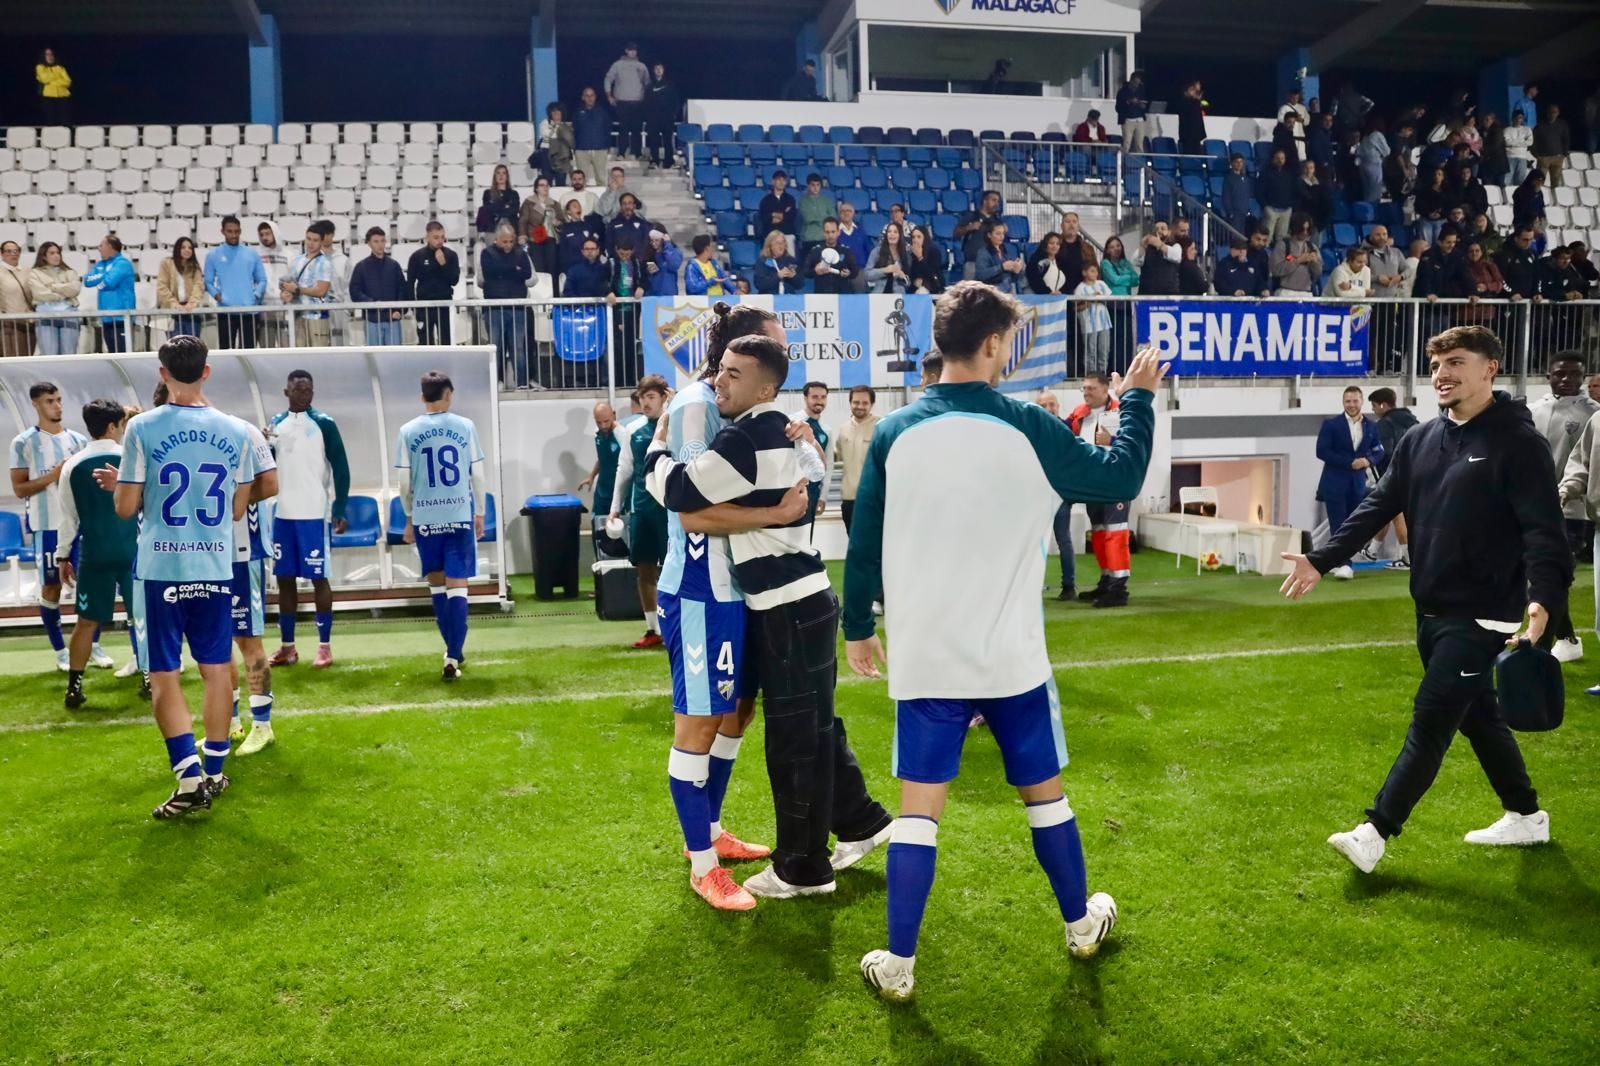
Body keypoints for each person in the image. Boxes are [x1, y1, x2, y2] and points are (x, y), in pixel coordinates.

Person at [848, 283, 1163, 1001]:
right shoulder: (1030, 426)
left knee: (917, 813)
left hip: (927, 655)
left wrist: (858, 627)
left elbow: (864, 539)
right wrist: (1138, 399)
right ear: (993, 344)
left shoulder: (895, 431)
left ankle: (899, 965)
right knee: (1045, 798)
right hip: (1012, 659)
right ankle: (1080, 925)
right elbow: (1121, 475)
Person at [1284, 326, 1563, 873]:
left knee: (1431, 718)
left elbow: (1543, 532)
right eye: (1435, 365)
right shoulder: (1420, 439)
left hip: (1484, 615)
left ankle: (1375, 830)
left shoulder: (1518, 442)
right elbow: (1377, 505)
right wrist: (1321, 558)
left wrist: (1544, 601)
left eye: (1455, 362)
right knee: (1479, 717)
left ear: (1490, 368)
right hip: (1430, 610)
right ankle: (1527, 816)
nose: (1442, 374)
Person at [645, 329, 890, 902]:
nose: (720, 382)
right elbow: (807, 481)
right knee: (810, 725)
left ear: (766, 387)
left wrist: (655, 446)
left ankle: (802, 869)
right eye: (722, 370)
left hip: (787, 603)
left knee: (795, 740)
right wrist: (777, 512)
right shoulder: (778, 427)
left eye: (735, 374)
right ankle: (859, 821)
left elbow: (682, 496)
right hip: (793, 600)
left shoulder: (747, 436)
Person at [638, 307, 801, 909]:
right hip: (702, 590)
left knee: (737, 713)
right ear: (732, 353)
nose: (780, 355)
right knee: (700, 723)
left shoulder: (742, 410)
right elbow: (689, 510)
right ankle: (702, 865)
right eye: (770, 344)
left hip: (739, 587)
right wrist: (774, 515)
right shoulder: (695, 406)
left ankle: (708, 830)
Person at [116, 336, 261, 819]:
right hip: (215, 565)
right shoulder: (238, 430)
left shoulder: (142, 426)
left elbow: (125, 507)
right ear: (207, 371)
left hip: (161, 568)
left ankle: (189, 778)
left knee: (164, 674)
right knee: (217, 668)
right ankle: (215, 771)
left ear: (162, 373)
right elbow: (238, 507)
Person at [394, 371, 487, 681]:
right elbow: (477, 475)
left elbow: (403, 482)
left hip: (425, 518)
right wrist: (480, 512)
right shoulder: (466, 426)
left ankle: (452, 651)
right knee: (458, 585)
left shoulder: (407, 431)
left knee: (437, 585)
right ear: (448, 394)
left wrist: (409, 516)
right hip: (458, 515)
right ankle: (453, 654)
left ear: (422, 397)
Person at [56, 399, 143, 708]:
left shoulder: (71, 465)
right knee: (142, 619)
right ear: (112, 426)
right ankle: (149, 678)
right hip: (133, 551)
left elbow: (68, 518)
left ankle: (74, 687)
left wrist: (62, 556)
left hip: (94, 553)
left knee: (86, 622)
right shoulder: (131, 459)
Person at [266, 370, 351, 671]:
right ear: (286, 392)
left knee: (319, 579)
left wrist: (340, 507)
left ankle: (324, 647)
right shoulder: (275, 424)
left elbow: (341, 467)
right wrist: (263, 442)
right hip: (283, 516)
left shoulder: (325, 423)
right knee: (284, 580)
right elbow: (267, 464)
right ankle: (287, 647)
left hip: (314, 515)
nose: (304, 394)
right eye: (298, 389)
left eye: (308, 390)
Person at [10, 382, 93, 670]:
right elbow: (19, 489)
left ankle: (93, 646)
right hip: (46, 526)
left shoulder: (79, 441)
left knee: (89, 585)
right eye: (49, 401)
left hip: (79, 526)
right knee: (51, 588)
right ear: (35, 404)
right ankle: (60, 651)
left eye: (58, 400)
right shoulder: (23, 442)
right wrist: (54, 475)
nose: (57, 406)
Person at [1529, 353, 1597, 663]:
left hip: (1574, 511)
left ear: (1583, 377)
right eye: (1560, 373)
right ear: (1548, 375)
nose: (1567, 379)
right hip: (1534, 507)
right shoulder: (1533, 411)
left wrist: (1570, 492)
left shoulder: (1593, 413)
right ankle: (1565, 638)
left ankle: (1545, 644)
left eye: (1574, 374)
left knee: (1552, 575)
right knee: (1539, 574)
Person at [607, 374, 672, 647]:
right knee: (645, 569)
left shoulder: (676, 426)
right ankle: (652, 629)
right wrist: (614, 509)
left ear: (664, 397)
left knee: (673, 570)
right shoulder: (632, 430)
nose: (645, 403)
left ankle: (674, 627)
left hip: (670, 509)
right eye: (642, 397)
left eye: (651, 397)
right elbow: (624, 470)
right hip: (642, 509)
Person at [1066, 374, 1132, 606]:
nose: (1086, 392)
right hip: (1092, 482)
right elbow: (1063, 433)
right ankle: (1106, 581)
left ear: (1105, 389)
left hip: (1115, 481)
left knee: (1115, 533)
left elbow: (1135, 443)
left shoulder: (1122, 411)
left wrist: (1112, 441)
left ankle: (1118, 588)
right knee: (1099, 533)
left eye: (1091, 388)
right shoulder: (1079, 413)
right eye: (1084, 388)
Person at [1314, 385, 1385, 581]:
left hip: (1358, 483)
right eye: (1348, 401)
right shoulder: (1331, 425)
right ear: (1343, 402)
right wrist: (1349, 463)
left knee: (1354, 525)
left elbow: (1379, 450)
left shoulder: (1371, 426)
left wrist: (1368, 460)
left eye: (1355, 401)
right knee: (1338, 524)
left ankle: (1339, 561)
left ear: (1361, 402)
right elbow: (1322, 451)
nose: (1351, 405)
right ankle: (1344, 563)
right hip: (1334, 482)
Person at [1366, 387, 1416, 569]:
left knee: (1396, 515)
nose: (1373, 410)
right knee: (1390, 512)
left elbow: (1385, 452)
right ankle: (1373, 549)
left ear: (1382, 405)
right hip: (1415, 472)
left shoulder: (1384, 425)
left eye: (1373, 405)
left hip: (1395, 474)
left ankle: (1407, 557)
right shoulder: (1413, 421)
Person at [1034, 390, 1078, 598]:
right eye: (1044, 405)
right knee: (1034, 543)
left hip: (1060, 495)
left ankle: (1069, 586)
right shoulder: (1030, 430)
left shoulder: (1067, 431)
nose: (1049, 409)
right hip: (1036, 495)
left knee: (1063, 540)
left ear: (1058, 407)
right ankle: (1032, 587)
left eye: (1052, 404)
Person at [480, 224, 533, 386]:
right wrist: (513, 269)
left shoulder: (521, 253)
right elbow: (490, 272)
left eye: (511, 241)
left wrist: (503, 272)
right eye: (505, 242)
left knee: (518, 348)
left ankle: (522, 384)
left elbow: (527, 273)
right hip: (494, 307)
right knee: (496, 347)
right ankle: (496, 382)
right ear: (496, 239)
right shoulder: (487, 253)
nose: (508, 245)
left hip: (517, 307)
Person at [203, 216, 266, 348]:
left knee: (249, 352)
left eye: (236, 231)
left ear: (240, 231)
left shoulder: (251, 254)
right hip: (225, 312)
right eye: (230, 231)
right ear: (222, 231)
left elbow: (262, 279)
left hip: (249, 312)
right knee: (226, 351)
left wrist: (255, 296)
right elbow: (208, 281)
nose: (234, 235)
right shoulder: (213, 255)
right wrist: (217, 296)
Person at [348, 227, 408, 345]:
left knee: (394, 353)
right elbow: (355, 292)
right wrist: (374, 304)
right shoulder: (361, 267)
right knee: (375, 354)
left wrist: (399, 310)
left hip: (393, 318)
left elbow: (402, 289)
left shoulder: (394, 265)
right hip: (372, 319)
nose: (380, 245)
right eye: (376, 241)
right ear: (369, 243)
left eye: (382, 241)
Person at [407, 221, 460, 345]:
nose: (440, 241)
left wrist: (443, 264)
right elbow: (410, 282)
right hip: (424, 306)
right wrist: (414, 307)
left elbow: (454, 280)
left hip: (445, 304)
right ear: (427, 237)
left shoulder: (451, 255)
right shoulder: (417, 257)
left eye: (442, 237)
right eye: (436, 237)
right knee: (425, 343)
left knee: (446, 342)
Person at [835, 385, 878, 535]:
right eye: (856, 402)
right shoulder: (843, 429)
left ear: (872, 404)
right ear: (850, 403)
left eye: (865, 403)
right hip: (849, 500)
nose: (860, 406)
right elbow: (838, 456)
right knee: (853, 542)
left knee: (874, 543)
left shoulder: (881, 427)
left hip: (873, 499)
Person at [283, 226, 333, 347]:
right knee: (300, 354)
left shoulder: (325, 263)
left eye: (315, 240)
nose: (311, 243)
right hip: (298, 316)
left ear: (321, 242)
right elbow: (289, 285)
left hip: (318, 317)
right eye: (308, 239)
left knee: (319, 354)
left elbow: (321, 291)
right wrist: (286, 293)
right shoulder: (296, 261)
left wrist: (297, 290)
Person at [82, 236, 135, 353]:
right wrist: (105, 275)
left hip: (122, 318)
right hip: (106, 318)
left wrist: (100, 279)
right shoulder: (100, 264)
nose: (99, 248)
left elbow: (108, 283)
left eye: (101, 245)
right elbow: (87, 281)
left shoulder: (123, 264)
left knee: (122, 354)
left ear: (110, 246)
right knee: (112, 353)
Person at [28, 242, 81, 356]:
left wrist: (53, 287)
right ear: (43, 256)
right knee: (49, 354)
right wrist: (63, 294)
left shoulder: (69, 272)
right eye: (52, 253)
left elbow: (75, 289)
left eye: (58, 253)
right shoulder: (34, 273)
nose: (56, 256)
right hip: (45, 316)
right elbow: (39, 294)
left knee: (69, 353)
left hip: (68, 315)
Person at [604, 43, 650, 161]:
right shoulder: (617, 65)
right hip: (621, 102)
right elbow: (608, 79)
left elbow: (647, 83)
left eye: (634, 50)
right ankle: (621, 153)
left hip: (638, 102)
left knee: (637, 129)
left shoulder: (642, 66)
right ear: (626, 50)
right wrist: (609, 96)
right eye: (630, 50)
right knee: (623, 128)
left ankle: (637, 153)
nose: (632, 52)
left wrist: (647, 99)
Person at [158, 237, 206, 340]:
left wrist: (192, 303)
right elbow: (162, 286)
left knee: (192, 344)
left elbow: (198, 287)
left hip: (191, 311)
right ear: (177, 249)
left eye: (190, 248)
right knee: (175, 344)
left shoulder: (195, 267)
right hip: (172, 312)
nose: (187, 250)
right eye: (183, 247)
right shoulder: (166, 263)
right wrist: (174, 304)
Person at [801, 381, 832, 529]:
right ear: (805, 398)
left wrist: (823, 497)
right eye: (814, 397)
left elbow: (829, 466)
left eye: (823, 397)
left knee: (808, 537)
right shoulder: (792, 422)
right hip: (793, 492)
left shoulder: (827, 430)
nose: (819, 401)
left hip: (813, 493)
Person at [1074, 265, 1114, 376]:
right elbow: (1076, 306)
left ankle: (1102, 372)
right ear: (1084, 272)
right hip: (1089, 324)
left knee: (1104, 349)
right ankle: (1090, 373)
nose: (1095, 273)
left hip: (1104, 323)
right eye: (1092, 271)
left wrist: (1101, 298)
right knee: (1090, 349)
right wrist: (1090, 300)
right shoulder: (1080, 288)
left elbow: (1110, 299)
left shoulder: (1101, 284)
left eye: (1096, 271)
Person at [1270, 215, 1324, 297]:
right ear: (1295, 228)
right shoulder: (1283, 245)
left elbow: (1318, 273)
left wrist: (1315, 263)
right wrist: (1298, 260)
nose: (1305, 232)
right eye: (1302, 229)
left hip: (1306, 293)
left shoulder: (1312, 247)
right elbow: (1276, 270)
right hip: (1285, 292)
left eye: (1307, 229)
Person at [519, 176, 562, 278]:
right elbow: (523, 220)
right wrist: (522, 236)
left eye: (547, 185)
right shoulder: (529, 203)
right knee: (539, 269)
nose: (545, 188)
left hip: (551, 240)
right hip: (535, 239)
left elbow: (562, 221)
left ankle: (553, 288)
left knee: (552, 269)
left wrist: (558, 223)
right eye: (542, 185)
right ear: (536, 188)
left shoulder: (555, 204)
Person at [955, 190, 1003, 279]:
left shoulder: (997, 220)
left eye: (998, 201)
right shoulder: (971, 216)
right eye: (993, 200)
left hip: (991, 264)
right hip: (973, 262)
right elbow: (956, 233)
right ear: (985, 201)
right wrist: (968, 228)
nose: (996, 204)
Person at [255, 222, 290, 346]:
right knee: (266, 346)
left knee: (286, 345)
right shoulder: (256, 255)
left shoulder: (289, 254)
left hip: (285, 306)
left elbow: (294, 278)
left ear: (275, 233)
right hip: (264, 307)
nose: (264, 237)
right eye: (261, 234)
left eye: (268, 233)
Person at [802, 219, 858, 295]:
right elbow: (805, 271)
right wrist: (815, 271)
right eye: (827, 232)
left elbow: (855, 271)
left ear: (838, 232)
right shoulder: (816, 251)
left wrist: (849, 273)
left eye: (833, 232)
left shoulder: (846, 251)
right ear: (823, 233)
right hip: (821, 295)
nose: (830, 235)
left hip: (842, 295)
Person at [643, 63, 682, 170]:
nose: (658, 70)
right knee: (654, 141)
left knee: (668, 141)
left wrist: (673, 113)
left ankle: (669, 162)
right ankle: (654, 161)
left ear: (664, 70)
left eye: (660, 68)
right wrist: (648, 116)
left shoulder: (670, 85)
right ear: (653, 70)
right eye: (656, 68)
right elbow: (646, 103)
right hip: (653, 119)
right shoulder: (649, 86)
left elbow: (676, 101)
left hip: (667, 119)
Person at [572, 87, 611, 190]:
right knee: (581, 179)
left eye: (592, 95)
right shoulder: (577, 112)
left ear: (595, 97)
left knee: (601, 178)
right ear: (583, 97)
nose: (590, 98)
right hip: (581, 149)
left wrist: (607, 146)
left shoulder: (603, 112)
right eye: (587, 96)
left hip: (600, 149)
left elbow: (607, 129)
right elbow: (574, 130)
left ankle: (602, 198)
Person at [0, 240, 35, 356]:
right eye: (8, 251)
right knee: (12, 357)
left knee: (28, 357)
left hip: (29, 322)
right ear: (2, 254)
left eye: (16, 251)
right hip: (9, 323)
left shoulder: (28, 271)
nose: (13, 254)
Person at [974, 219, 1024, 293]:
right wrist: (1002, 267)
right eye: (998, 234)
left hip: (1007, 292)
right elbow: (980, 275)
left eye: (1003, 233)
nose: (1002, 237)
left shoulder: (1007, 251)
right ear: (989, 235)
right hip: (990, 293)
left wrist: (1016, 271)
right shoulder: (983, 252)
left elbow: (1013, 279)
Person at [757, 171, 798, 257]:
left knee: (790, 260)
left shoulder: (790, 199)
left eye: (783, 180)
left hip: (787, 234)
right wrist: (782, 215)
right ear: (773, 181)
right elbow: (764, 217)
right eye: (779, 179)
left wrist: (773, 214)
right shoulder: (766, 200)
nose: (781, 182)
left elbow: (791, 216)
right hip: (771, 234)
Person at [1259, 149, 1296, 243]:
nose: (1280, 160)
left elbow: (1293, 191)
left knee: (1282, 240)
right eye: (1278, 158)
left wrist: (1290, 206)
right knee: (1266, 238)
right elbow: (1259, 191)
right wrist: (1265, 206)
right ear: (1273, 159)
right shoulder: (1265, 173)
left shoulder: (1289, 174)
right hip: (1271, 210)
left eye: (1282, 158)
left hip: (1286, 210)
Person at [865, 222, 912, 295]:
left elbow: (908, 283)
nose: (891, 234)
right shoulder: (877, 252)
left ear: (900, 235)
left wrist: (903, 277)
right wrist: (885, 270)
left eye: (895, 232)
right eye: (889, 231)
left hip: (898, 295)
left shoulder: (905, 255)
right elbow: (867, 275)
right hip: (879, 293)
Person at [535, 102, 575, 184]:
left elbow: (569, 139)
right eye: (553, 112)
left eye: (558, 112)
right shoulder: (544, 123)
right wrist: (554, 127)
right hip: (547, 152)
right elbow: (546, 135)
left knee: (561, 178)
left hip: (562, 153)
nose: (556, 114)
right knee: (547, 177)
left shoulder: (565, 125)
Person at [796, 174, 836, 257]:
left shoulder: (826, 201)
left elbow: (833, 218)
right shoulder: (803, 201)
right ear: (808, 186)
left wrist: (817, 219)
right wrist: (825, 218)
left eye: (818, 185)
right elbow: (808, 218)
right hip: (808, 239)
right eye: (813, 185)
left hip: (824, 239)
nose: (815, 188)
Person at [1532, 105, 1570, 188]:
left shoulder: (1562, 125)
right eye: (1551, 112)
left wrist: (1564, 153)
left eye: (1555, 112)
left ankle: (1555, 196)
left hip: (1558, 157)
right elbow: (1533, 141)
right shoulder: (1540, 126)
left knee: (1556, 183)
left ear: (1558, 113)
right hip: (1544, 158)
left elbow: (1565, 139)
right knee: (1539, 181)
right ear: (1547, 113)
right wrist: (1537, 155)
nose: (1553, 114)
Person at [835, 202, 873, 283]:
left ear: (854, 213)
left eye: (849, 211)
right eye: (843, 211)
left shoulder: (861, 230)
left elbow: (869, 249)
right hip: (841, 271)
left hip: (860, 270)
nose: (846, 213)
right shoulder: (835, 231)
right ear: (839, 214)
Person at [479, 164, 521, 237]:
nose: (501, 176)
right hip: (493, 225)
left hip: (510, 225)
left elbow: (514, 210)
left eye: (503, 173)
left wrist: (496, 208)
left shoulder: (514, 194)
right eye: (498, 173)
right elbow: (487, 209)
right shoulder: (487, 193)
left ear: (507, 176)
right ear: (495, 176)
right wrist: (505, 206)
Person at [753, 231, 800, 295]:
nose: (781, 246)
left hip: (788, 298)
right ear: (770, 246)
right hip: (769, 298)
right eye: (777, 243)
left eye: (783, 242)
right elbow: (759, 284)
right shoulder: (762, 261)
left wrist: (794, 277)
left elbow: (800, 285)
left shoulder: (791, 261)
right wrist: (778, 276)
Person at [1115, 70, 1150, 153]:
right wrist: (1129, 102)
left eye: (1138, 83)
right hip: (1128, 120)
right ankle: (1124, 159)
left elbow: (1145, 103)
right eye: (1135, 83)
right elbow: (1118, 107)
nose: (1136, 85)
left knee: (1139, 144)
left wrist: (1142, 105)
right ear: (1131, 80)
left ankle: (1139, 160)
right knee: (1127, 143)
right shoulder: (1122, 92)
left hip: (1139, 120)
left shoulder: (1141, 91)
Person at [642, 228, 683, 296]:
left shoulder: (675, 251)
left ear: (663, 239)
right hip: (652, 295)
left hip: (668, 295)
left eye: (657, 240)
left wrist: (668, 245)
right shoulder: (649, 254)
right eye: (651, 241)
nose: (653, 243)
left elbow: (674, 265)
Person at [1221, 154, 1255, 234]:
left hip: (1244, 212)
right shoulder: (1228, 179)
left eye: (1241, 162)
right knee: (1235, 235)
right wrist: (1230, 212)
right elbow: (1226, 197)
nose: (1239, 164)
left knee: (1242, 234)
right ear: (1232, 163)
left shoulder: (1245, 178)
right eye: (1237, 162)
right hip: (1235, 213)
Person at [36, 48, 71, 125]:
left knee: (65, 120)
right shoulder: (40, 67)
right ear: (43, 56)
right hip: (48, 97)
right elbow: (44, 79)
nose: (50, 56)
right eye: (47, 54)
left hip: (63, 96)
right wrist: (58, 77)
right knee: (51, 120)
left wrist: (51, 81)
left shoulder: (60, 68)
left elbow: (68, 82)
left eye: (51, 54)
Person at [906, 226, 944, 295]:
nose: (915, 240)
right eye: (913, 237)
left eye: (919, 237)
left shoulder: (933, 251)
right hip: (915, 287)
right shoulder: (910, 253)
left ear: (925, 238)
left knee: (921, 292)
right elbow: (910, 274)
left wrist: (920, 257)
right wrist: (914, 282)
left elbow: (933, 274)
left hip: (932, 286)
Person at [1176, 79, 1207, 156]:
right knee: (1189, 156)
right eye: (1191, 90)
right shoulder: (1184, 102)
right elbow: (1192, 108)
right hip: (1188, 136)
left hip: (1196, 136)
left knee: (1198, 156)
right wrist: (1197, 97)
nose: (1193, 92)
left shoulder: (1194, 102)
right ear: (1185, 92)